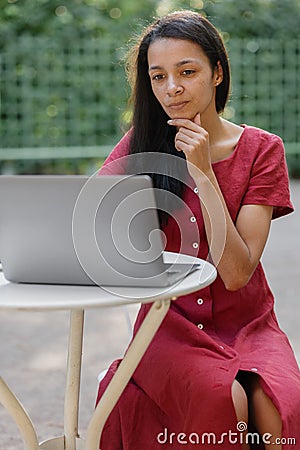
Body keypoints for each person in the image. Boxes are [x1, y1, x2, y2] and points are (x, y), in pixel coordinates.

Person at [96, 10, 300, 450]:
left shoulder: (262, 149)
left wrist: (203, 174)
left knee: (283, 409)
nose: (172, 88)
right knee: (219, 400)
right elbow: (91, 230)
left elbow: (237, 273)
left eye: (187, 71)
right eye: (158, 76)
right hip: (167, 324)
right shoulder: (139, 146)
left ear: (217, 72)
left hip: (250, 323)